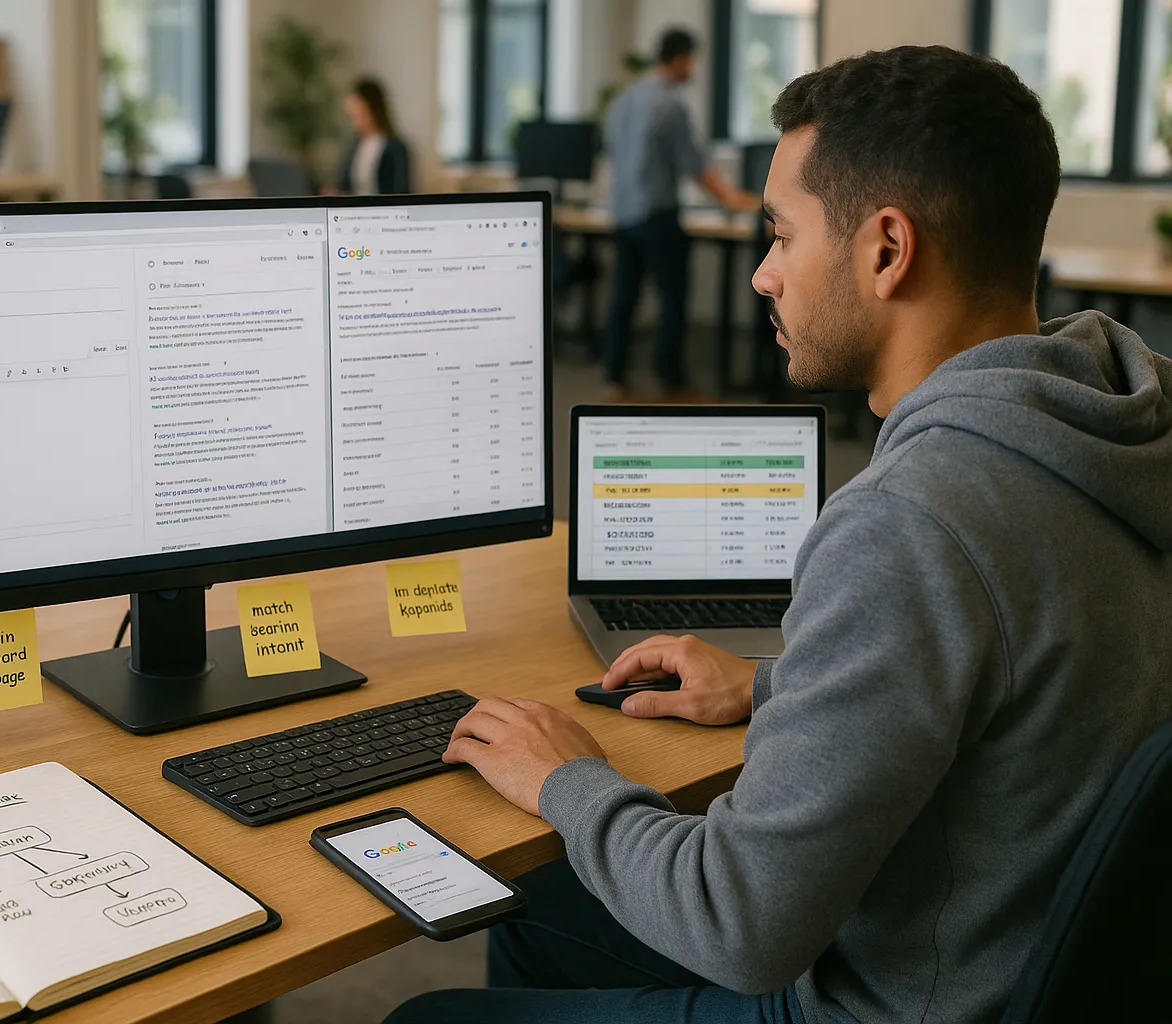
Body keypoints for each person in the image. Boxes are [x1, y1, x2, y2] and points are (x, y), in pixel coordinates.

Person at [386, 45, 1172, 1024]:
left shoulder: (912, 522)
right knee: (540, 907)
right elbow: (1023, 678)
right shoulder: (1117, 429)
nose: (761, 275)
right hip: (1026, 968)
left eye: (780, 234)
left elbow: (742, 924)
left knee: (424, 1018)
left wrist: (566, 777)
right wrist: (769, 684)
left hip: (876, 1003)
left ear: (887, 249)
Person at [601, 28, 759, 401]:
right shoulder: (669, 105)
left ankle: (613, 376)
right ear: (680, 58)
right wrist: (732, 198)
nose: (692, 68)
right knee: (672, 298)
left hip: (622, 214)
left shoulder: (623, 101)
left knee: (623, 297)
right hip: (656, 215)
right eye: (691, 60)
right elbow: (694, 164)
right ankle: (670, 378)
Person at [334, 77, 411, 195]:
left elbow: (401, 190)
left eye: (358, 114)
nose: (354, 122)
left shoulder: (396, 148)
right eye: (351, 116)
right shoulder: (354, 145)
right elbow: (345, 185)